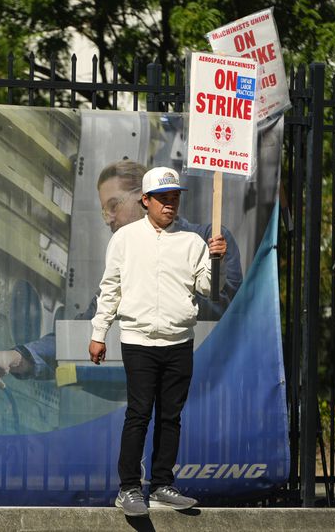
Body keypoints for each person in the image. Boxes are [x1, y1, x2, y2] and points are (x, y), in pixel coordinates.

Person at [0, 160, 241, 386]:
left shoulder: (209, 239)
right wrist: (14, 358)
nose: (109, 219)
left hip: (206, 394)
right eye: (104, 211)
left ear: (144, 198)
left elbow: (226, 315)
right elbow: (82, 330)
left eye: (113, 206)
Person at [89, 166, 226, 516]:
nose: (169, 205)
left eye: (174, 198)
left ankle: (162, 484)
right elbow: (110, 290)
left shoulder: (193, 241)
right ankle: (129, 488)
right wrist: (98, 333)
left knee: (171, 417)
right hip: (138, 340)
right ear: (145, 200)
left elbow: (211, 289)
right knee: (138, 414)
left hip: (179, 341)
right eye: (162, 198)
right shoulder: (124, 238)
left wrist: (216, 259)